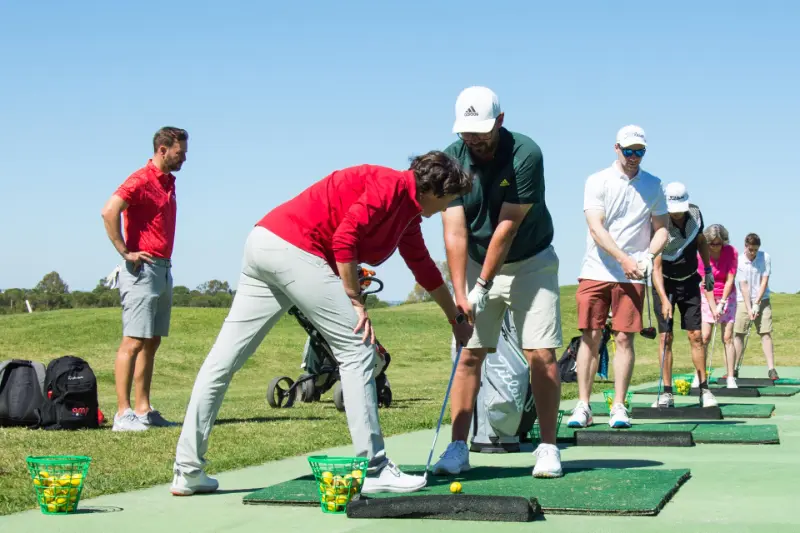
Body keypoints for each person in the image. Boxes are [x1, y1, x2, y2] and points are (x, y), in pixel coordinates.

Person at [171, 152, 475, 496]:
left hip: (264, 242)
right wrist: (355, 301)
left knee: (222, 361)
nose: (449, 205)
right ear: (435, 190)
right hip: (294, 247)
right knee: (358, 350)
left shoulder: (408, 214)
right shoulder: (389, 187)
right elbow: (344, 239)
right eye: (450, 198)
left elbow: (422, 266)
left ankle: (187, 469)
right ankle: (373, 468)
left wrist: (454, 317)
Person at [433, 86, 565, 479]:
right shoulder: (451, 159)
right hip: (475, 261)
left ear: (500, 121)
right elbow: (454, 232)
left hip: (531, 262)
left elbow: (507, 227)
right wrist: (461, 295)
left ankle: (548, 448)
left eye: (482, 132)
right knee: (470, 354)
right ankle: (458, 448)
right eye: (467, 133)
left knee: (541, 353)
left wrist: (483, 286)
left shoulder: (526, 153)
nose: (474, 140)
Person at [567, 125, 669, 429]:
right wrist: (623, 258)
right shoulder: (597, 180)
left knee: (625, 338)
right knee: (591, 336)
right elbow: (596, 228)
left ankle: (619, 406)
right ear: (617, 148)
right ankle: (583, 406)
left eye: (640, 151)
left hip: (633, 274)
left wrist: (647, 257)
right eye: (629, 151)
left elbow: (662, 228)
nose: (634, 156)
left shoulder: (654, 185)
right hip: (596, 270)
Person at [100, 126, 188, 432]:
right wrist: (125, 251)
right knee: (133, 342)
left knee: (151, 341)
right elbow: (109, 211)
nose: (184, 158)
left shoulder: (168, 183)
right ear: (163, 149)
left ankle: (142, 409)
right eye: (180, 152)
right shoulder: (140, 179)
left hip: (163, 268)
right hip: (143, 269)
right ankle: (122, 414)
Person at [649, 182, 718, 408]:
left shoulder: (695, 215)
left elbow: (700, 242)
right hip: (665, 284)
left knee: (696, 336)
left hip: (689, 281)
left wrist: (707, 270)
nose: (676, 212)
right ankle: (667, 393)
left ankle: (704, 390)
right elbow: (656, 267)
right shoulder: (659, 222)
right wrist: (663, 297)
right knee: (665, 337)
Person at [732, 233, 779, 380]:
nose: (752, 253)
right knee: (738, 334)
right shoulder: (739, 261)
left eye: (755, 250)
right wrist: (749, 308)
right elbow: (743, 286)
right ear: (745, 246)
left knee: (765, 333)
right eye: (750, 249)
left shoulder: (765, 257)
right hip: (742, 300)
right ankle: (733, 369)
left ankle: (772, 370)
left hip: (762, 299)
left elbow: (764, 281)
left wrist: (757, 303)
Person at [698, 224, 739, 388]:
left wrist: (722, 302)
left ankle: (730, 377)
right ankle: (699, 376)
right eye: (712, 244)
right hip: (707, 294)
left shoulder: (731, 252)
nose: (715, 247)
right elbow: (705, 282)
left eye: (718, 243)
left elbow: (730, 279)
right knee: (704, 337)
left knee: (727, 337)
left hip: (727, 296)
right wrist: (713, 306)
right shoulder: (701, 255)